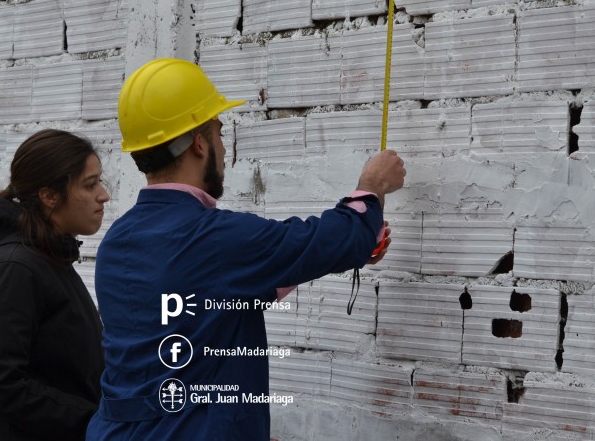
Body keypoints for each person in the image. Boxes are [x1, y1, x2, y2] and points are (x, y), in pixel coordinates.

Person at [86, 58, 406, 440]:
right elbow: (330, 239)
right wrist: (371, 188)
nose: (225, 147)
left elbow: (223, 293)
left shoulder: (118, 240)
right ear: (200, 143)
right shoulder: (214, 238)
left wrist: (344, 247)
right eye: (220, 132)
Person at [0, 129, 109, 441]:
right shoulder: (13, 269)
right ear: (48, 195)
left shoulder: (49, 260)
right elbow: (0, 384)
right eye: (90, 184)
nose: (104, 194)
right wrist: (96, 421)